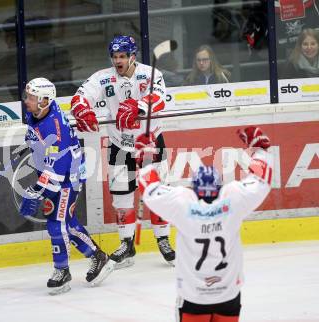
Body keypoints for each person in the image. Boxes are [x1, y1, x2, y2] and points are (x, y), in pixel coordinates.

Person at [136, 126, 273, 321]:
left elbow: (150, 188)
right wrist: (260, 150)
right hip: (228, 295)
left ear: (194, 187)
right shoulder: (233, 200)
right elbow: (261, 179)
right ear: (218, 186)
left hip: (194, 296)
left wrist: (146, 158)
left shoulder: (183, 203)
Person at [70, 35, 176, 269]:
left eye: (122, 56)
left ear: (132, 57)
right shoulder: (103, 77)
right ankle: (127, 243)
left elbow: (159, 99)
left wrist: (137, 107)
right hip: (119, 143)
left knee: (158, 192)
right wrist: (81, 109)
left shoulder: (150, 73)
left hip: (149, 141)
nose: (117, 61)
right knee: (121, 195)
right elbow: (80, 96)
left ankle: (163, 240)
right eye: (115, 57)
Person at [19, 77, 114, 295]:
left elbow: (57, 169)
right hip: (55, 173)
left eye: (32, 98)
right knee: (68, 223)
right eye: (28, 96)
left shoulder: (56, 126)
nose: (27, 101)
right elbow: (38, 137)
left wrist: (35, 192)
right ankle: (98, 256)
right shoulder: (38, 113)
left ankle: (62, 271)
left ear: (45, 100)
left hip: (65, 179)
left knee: (56, 224)